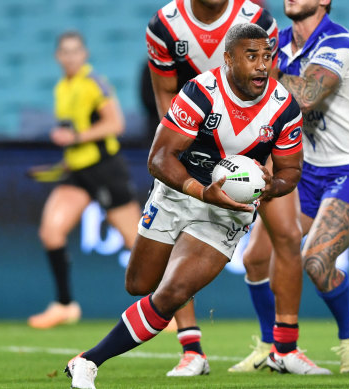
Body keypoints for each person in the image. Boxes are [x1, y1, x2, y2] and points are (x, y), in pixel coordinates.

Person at [64, 23, 304, 388]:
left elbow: (291, 170)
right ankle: (179, 343)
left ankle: (89, 362)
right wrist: (200, 189)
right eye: (251, 56)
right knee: (138, 284)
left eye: (267, 57)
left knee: (173, 291)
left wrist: (271, 189)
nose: (261, 65)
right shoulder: (201, 93)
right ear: (228, 59)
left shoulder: (284, 108)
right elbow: (159, 158)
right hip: (177, 193)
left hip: (228, 212)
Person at [144, 0, 309, 377]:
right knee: (177, 240)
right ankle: (191, 348)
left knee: (287, 233)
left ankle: (285, 348)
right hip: (194, 147)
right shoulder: (164, 26)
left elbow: (268, 84)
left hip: (253, 147)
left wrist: (265, 160)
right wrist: (183, 153)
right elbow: (165, 96)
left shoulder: (256, 18)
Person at [231, 0, 349, 374]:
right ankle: (271, 347)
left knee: (315, 260)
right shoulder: (276, 43)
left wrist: (261, 71)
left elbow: (307, 95)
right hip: (305, 169)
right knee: (254, 259)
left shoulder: (338, 42)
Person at [27, 31, 142, 329]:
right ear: (57, 56)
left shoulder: (94, 83)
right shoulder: (61, 88)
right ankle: (65, 305)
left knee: (138, 243)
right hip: (77, 171)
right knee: (51, 231)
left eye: (75, 51)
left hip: (106, 169)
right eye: (64, 51)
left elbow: (115, 124)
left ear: (85, 54)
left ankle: (167, 308)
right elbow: (75, 132)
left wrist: (75, 137)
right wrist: (65, 158)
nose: (70, 56)